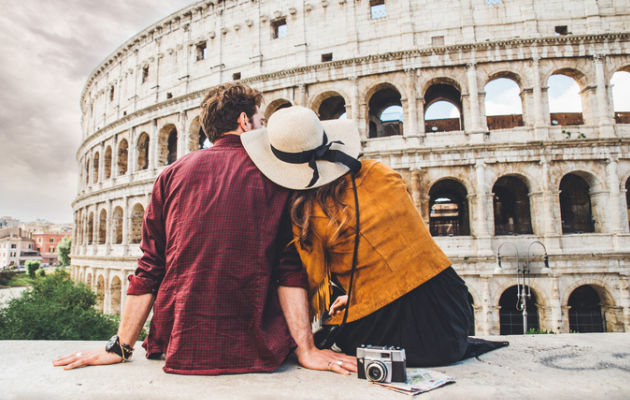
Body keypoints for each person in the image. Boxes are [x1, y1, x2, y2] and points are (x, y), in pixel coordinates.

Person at [53, 84, 356, 375]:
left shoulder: (169, 175)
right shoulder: (275, 175)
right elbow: (288, 270)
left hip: (178, 344)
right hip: (257, 347)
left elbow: (149, 267)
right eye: (260, 120)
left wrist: (120, 346)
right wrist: (306, 349)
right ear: (244, 122)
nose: (262, 126)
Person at [241, 106, 507, 366]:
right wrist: (364, 292)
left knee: (331, 329)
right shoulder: (381, 172)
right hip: (451, 314)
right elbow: (396, 247)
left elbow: (308, 282)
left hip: (393, 334)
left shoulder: (307, 214)